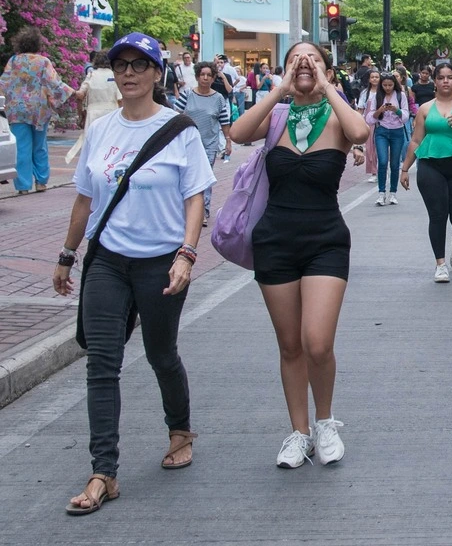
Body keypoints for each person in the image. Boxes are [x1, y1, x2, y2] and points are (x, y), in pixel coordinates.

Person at [53, 32, 215, 514]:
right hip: (107, 260)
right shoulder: (101, 130)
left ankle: (180, 428)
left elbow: (195, 197)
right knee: (102, 362)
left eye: (138, 65)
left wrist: (187, 253)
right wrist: (66, 254)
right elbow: (85, 198)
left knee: (160, 352)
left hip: (160, 260)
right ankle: (104, 471)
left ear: (155, 74)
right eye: (119, 64)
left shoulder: (179, 128)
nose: (127, 73)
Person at [229, 41, 369, 468]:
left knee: (317, 342)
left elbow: (361, 133)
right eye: (295, 60)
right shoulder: (276, 117)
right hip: (276, 241)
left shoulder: (337, 118)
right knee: (290, 345)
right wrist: (281, 87)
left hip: (326, 239)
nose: (304, 65)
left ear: (327, 69)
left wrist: (326, 85)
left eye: (314, 60)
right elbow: (236, 133)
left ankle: (325, 422)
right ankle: (299, 432)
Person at [401, 64, 452, 281]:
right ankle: (440, 264)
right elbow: (416, 140)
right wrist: (404, 168)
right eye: (441, 78)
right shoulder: (425, 109)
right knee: (437, 215)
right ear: (435, 82)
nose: (445, 81)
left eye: (450, 77)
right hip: (430, 164)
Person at [0, 27, 76, 194]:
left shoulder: (13, 61)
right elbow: (54, 83)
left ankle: (23, 186)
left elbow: (3, 83)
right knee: (40, 146)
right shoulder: (43, 61)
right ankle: (41, 182)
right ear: (37, 44)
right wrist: (72, 93)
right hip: (39, 110)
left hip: (17, 110)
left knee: (21, 148)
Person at [172, 62, 231, 226]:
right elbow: (175, 116)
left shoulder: (218, 98)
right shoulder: (188, 95)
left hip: (209, 143)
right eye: (202, 74)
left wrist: (228, 141)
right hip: (187, 143)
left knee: (204, 178)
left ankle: (202, 211)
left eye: (209, 75)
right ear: (197, 76)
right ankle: (185, 209)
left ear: (213, 78)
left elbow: (224, 121)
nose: (205, 78)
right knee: (185, 176)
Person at [67, 52, 122, 164]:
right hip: (112, 113)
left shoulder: (91, 75)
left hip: (93, 115)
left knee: (92, 145)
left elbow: (80, 95)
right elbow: (120, 99)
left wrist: (81, 114)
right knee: (110, 145)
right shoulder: (114, 75)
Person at [366, 72, 409, 206]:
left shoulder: (400, 95)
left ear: (394, 84)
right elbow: (369, 118)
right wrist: (380, 111)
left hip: (397, 131)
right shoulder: (376, 97)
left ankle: (393, 193)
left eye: (390, 85)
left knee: (395, 164)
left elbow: (406, 116)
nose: (387, 88)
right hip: (382, 131)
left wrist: (396, 110)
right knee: (383, 161)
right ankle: (381, 193)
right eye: (384, 85)